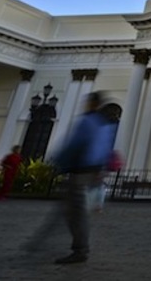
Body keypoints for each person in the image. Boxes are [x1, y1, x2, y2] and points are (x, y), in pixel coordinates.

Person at [51, 91, 116, 264]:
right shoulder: (104, 124)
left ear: (92, 103)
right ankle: (80, 247)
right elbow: (105, 148)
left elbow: (75, 144)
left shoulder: (88, 121)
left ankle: (80, 249)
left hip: (80, 170)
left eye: (87, 102)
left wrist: (59, 163)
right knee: (74, 210)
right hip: (93, 170)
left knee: (75, 211)